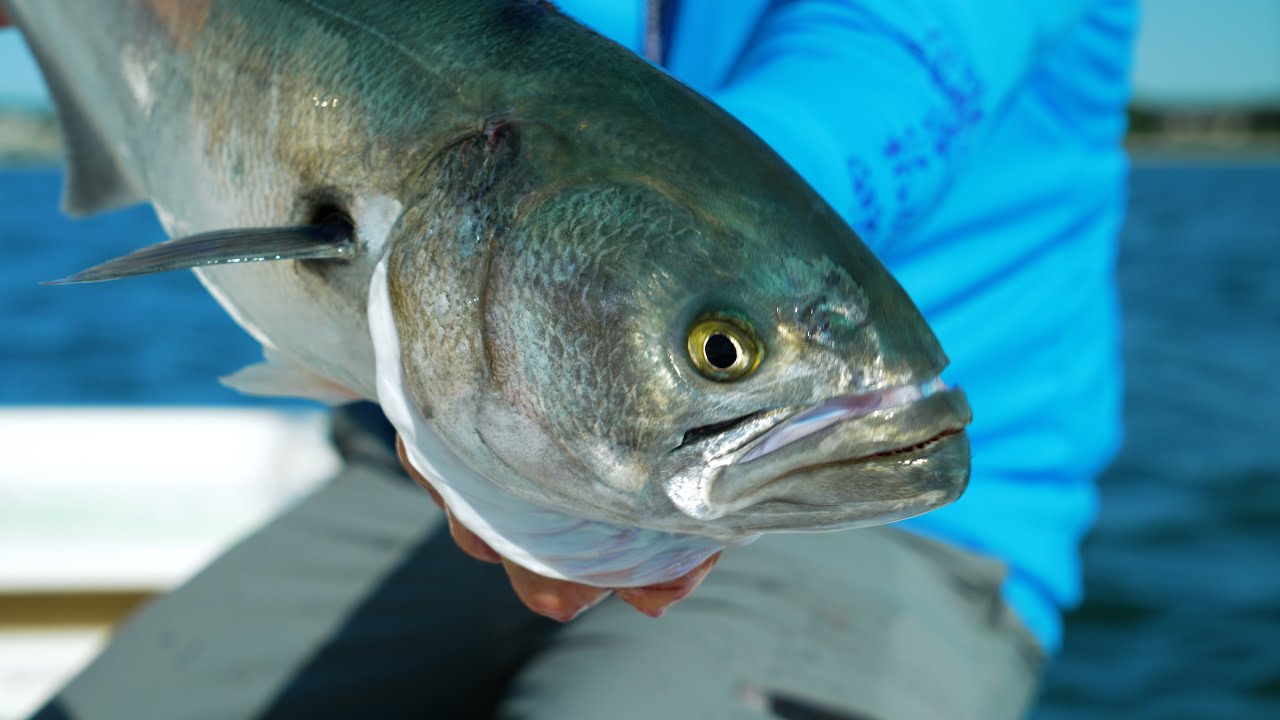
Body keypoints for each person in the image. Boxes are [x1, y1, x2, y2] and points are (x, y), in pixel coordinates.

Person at [25, 1, 1134, 718]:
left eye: (719, 349)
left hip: (880, 541)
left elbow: (891, 61)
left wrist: (695, 331)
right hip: (433, 459)